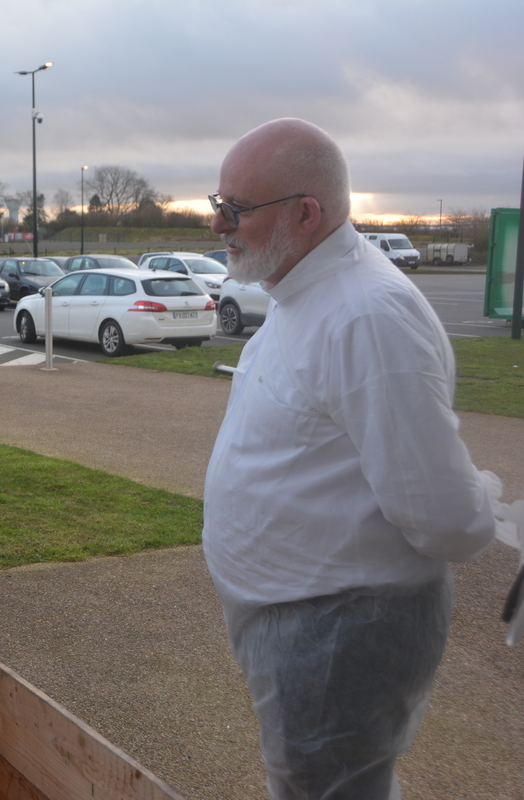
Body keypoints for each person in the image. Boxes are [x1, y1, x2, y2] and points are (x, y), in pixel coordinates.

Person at [201, 118, 497, 800]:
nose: (219, 224)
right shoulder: (303, 293)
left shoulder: (368, 316)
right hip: (302, 620)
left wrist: (487, 494)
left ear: (307, 214)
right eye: (216, 205)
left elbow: (444, 516)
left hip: (340, 629)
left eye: (235, 209)